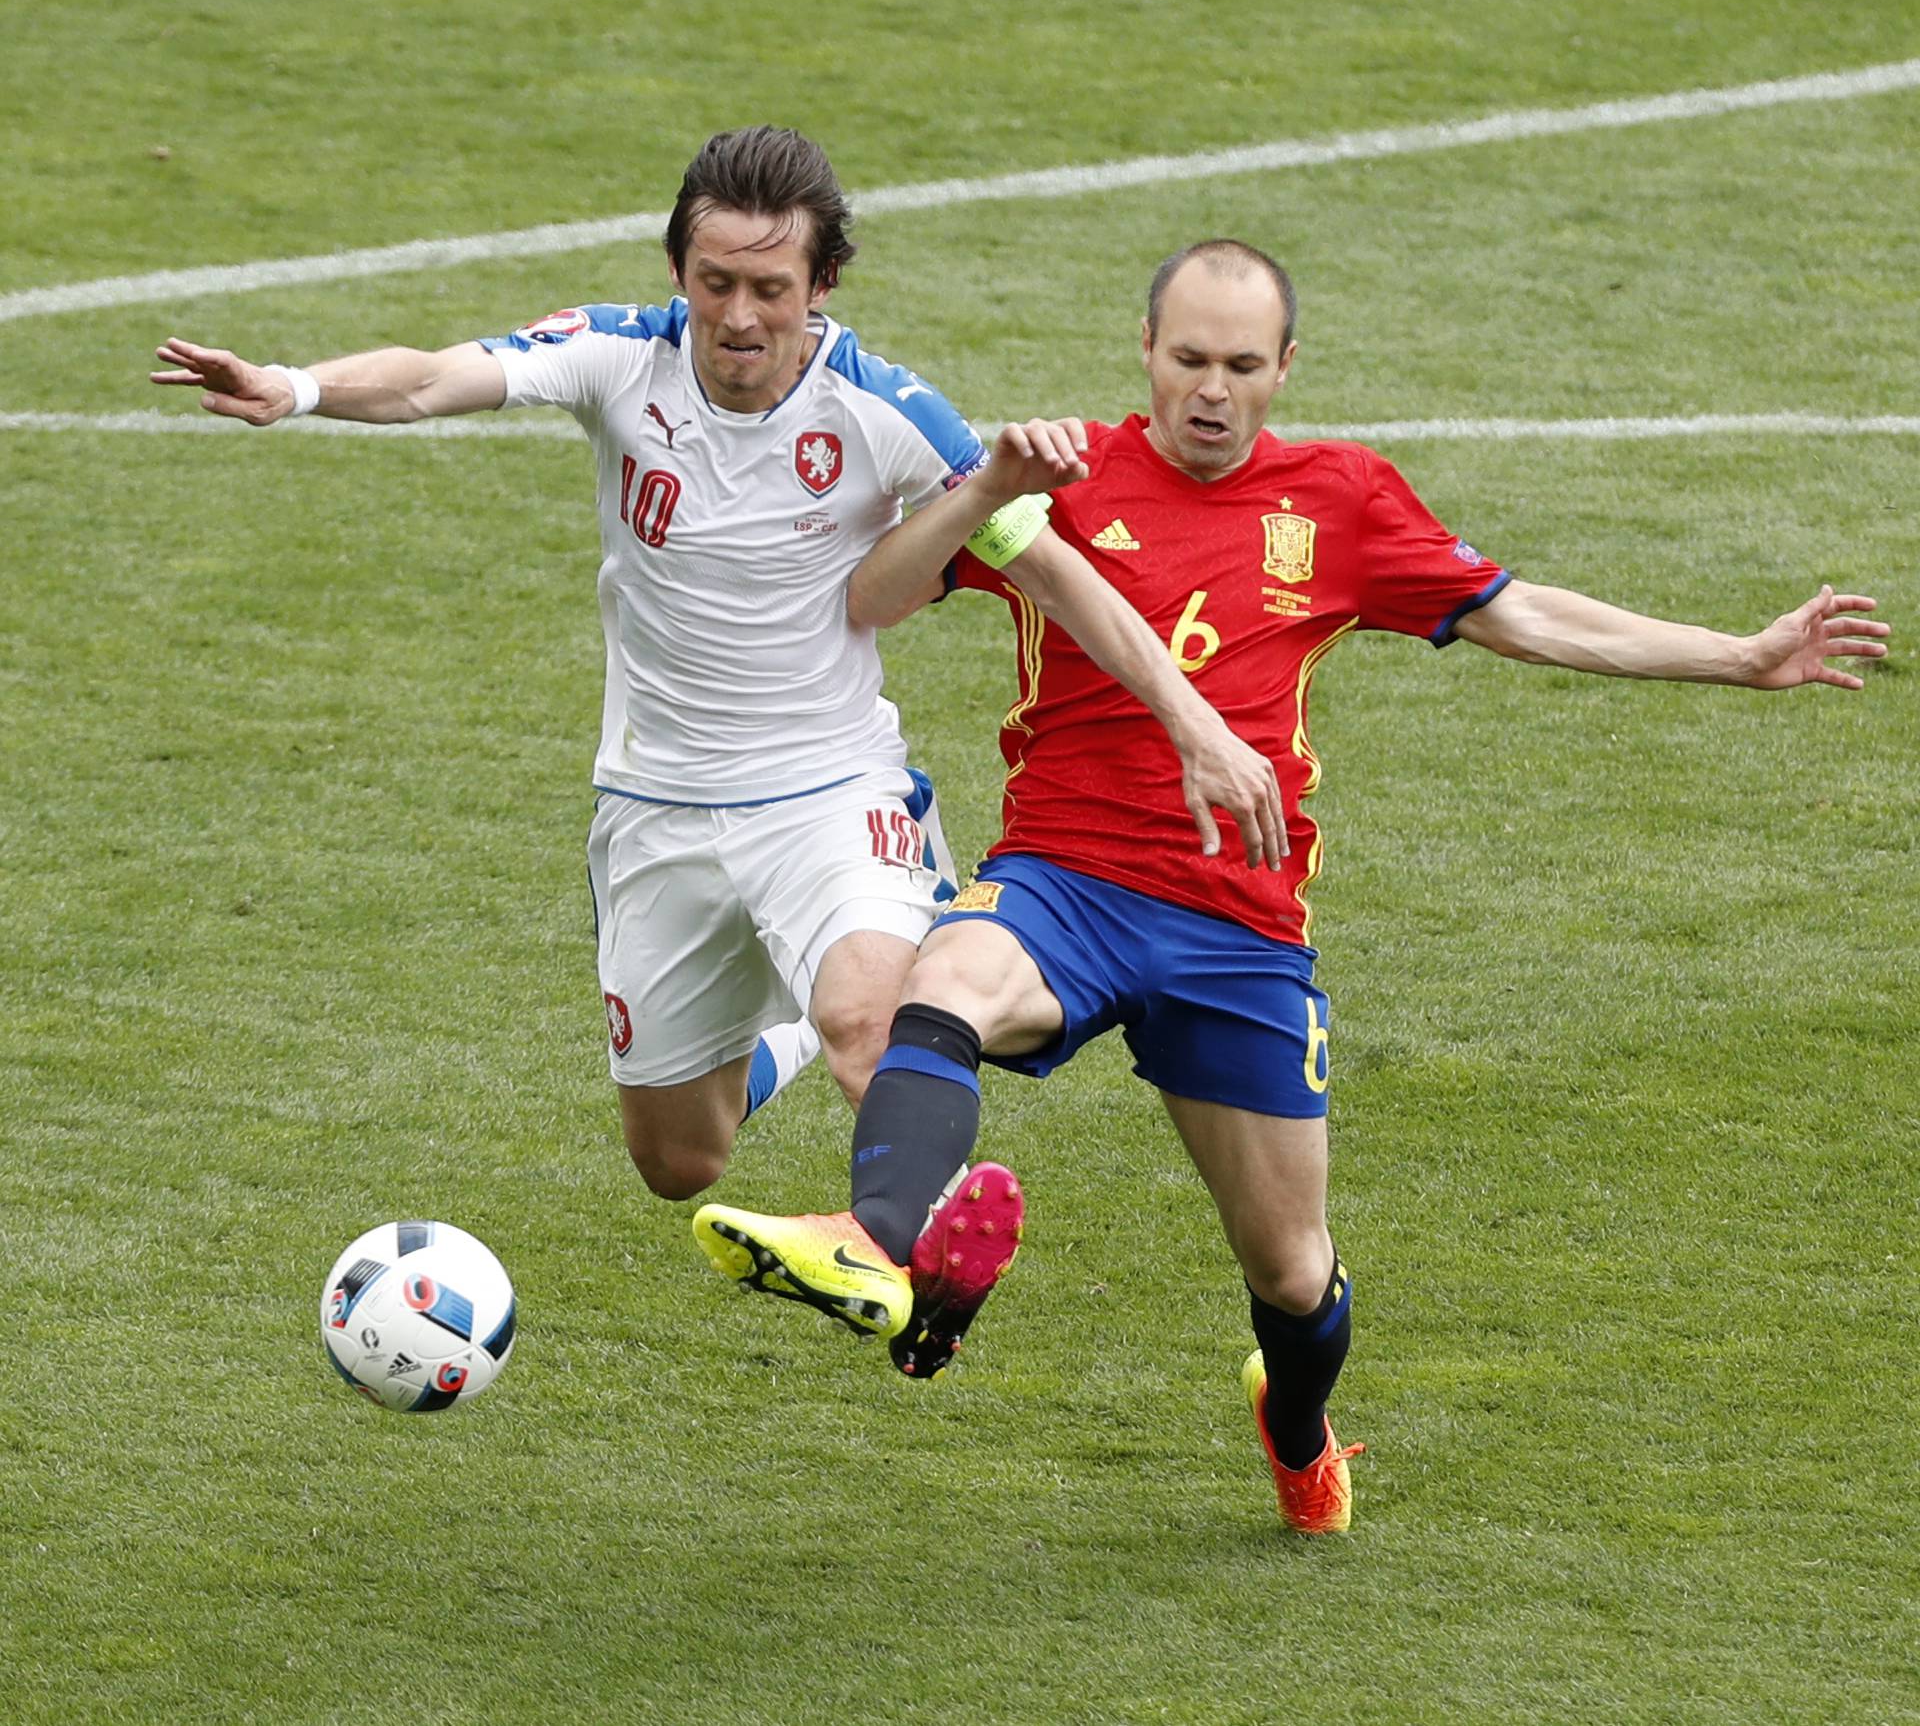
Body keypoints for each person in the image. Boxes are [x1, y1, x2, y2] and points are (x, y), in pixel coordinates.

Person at [691, 238, 1891, 1533]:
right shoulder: (1068, 479)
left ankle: (1300, 1424)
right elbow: (869, 596)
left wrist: (1742, 655)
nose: (1211, 390)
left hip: (1239, 930)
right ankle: (882, 1239)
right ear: (1145, 350)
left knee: (1289, 1264)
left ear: (1285, 369)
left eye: (1242, 366)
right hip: (1065, 881)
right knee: (945, 985)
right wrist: (990, 482)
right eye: (1190, 359)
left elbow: (1524, 613)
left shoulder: (1344, 498)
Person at [151, 133, 1281, 1205]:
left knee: (870, 1026)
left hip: (830, 792)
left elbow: (1063, 575)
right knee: (681, 1161)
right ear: (681, 271)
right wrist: (293, 388)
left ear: (822, 283)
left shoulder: (886, 410)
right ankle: (778, 1036)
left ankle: (919, 1262)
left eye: (771, 288)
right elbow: (430, 378)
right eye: (714, 282)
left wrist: (1197, 725)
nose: (738, 317)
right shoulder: (618, 357)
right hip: (656, 807)